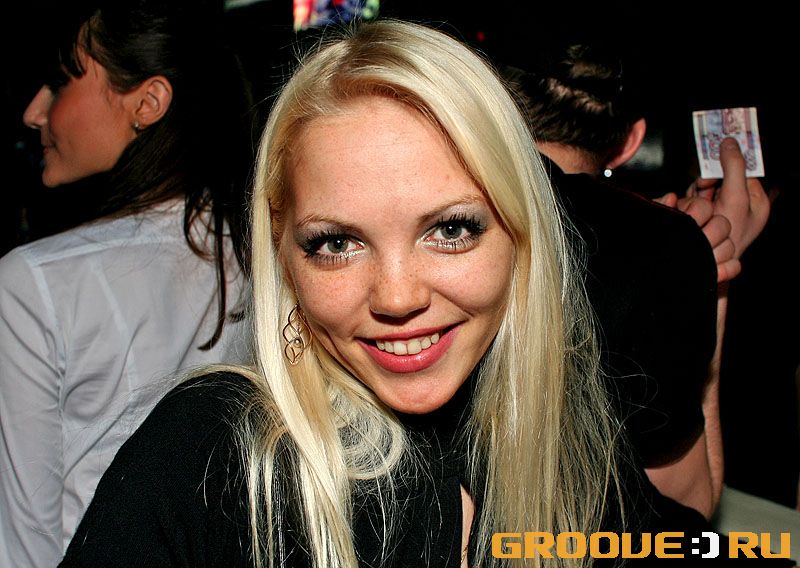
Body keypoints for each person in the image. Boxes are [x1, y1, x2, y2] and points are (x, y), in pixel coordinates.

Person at [55, 18, 630, 567]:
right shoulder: (209, 458)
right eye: (336, 243)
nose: (397, 297)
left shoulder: (575, 448)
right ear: (283, 253)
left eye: (451, 230)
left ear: (521, 234)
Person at [0, 1, 252, 565]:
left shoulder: (35, 283)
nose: (35, 112)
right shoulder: (261, 252)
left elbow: (23, 545)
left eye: (61, 82)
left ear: (148, 102)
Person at [502, 42, 769, 519]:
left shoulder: (441, 207)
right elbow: (683, 513)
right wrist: (708, 274)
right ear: (631, 141)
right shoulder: (660, 249)